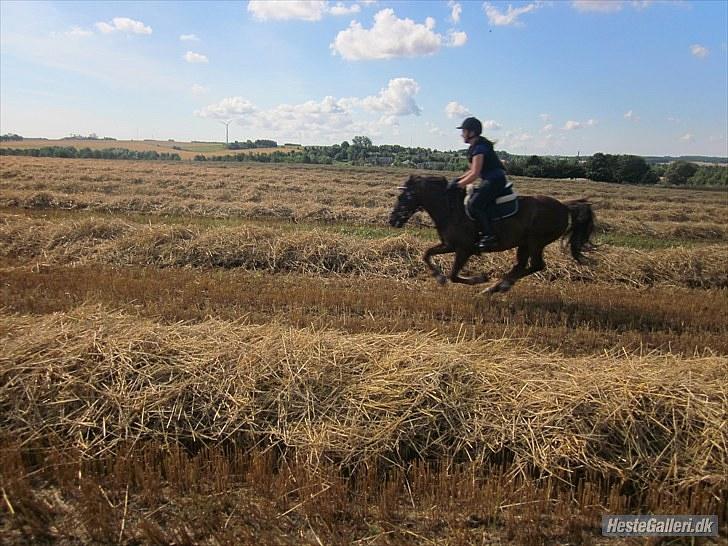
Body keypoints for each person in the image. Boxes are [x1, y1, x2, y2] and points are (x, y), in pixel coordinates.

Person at [449, 117, 513, 251]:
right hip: (489, 180)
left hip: (495, 180)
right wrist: (457, 179)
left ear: (471, 132)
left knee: (474, 205)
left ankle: (489, 236)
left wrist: (458, 185)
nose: (462, 134)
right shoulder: (474, 147)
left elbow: (475, 174)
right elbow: (471, 170)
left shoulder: (480, 148)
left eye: (464, 131)